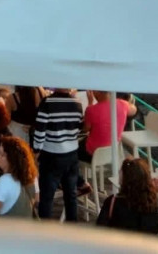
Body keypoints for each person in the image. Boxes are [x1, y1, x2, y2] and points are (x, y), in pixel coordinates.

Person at [33, 87, 90, 220]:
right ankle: (72, 228)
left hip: (51, 155)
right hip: (72, 154)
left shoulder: (47, 102)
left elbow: (40, 131)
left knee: (47, 197)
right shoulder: (78, 102)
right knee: (71, 195)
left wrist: (36, 151)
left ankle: (45, 231)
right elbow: (78, 128)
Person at [96, 157, 158, 235]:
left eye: (121, 171)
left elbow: (100, 231)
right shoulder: (150, 201)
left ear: (125, 178)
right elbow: (154, 230)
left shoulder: (112, 202)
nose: (119, 172)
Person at [80, 91, 137, 161]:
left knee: (76, 147)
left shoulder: (91, 110)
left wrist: (90, 102)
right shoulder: (123, 104)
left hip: (94, 154)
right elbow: (134, 110)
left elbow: (85, 129)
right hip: (113, 151)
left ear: (98, 92)